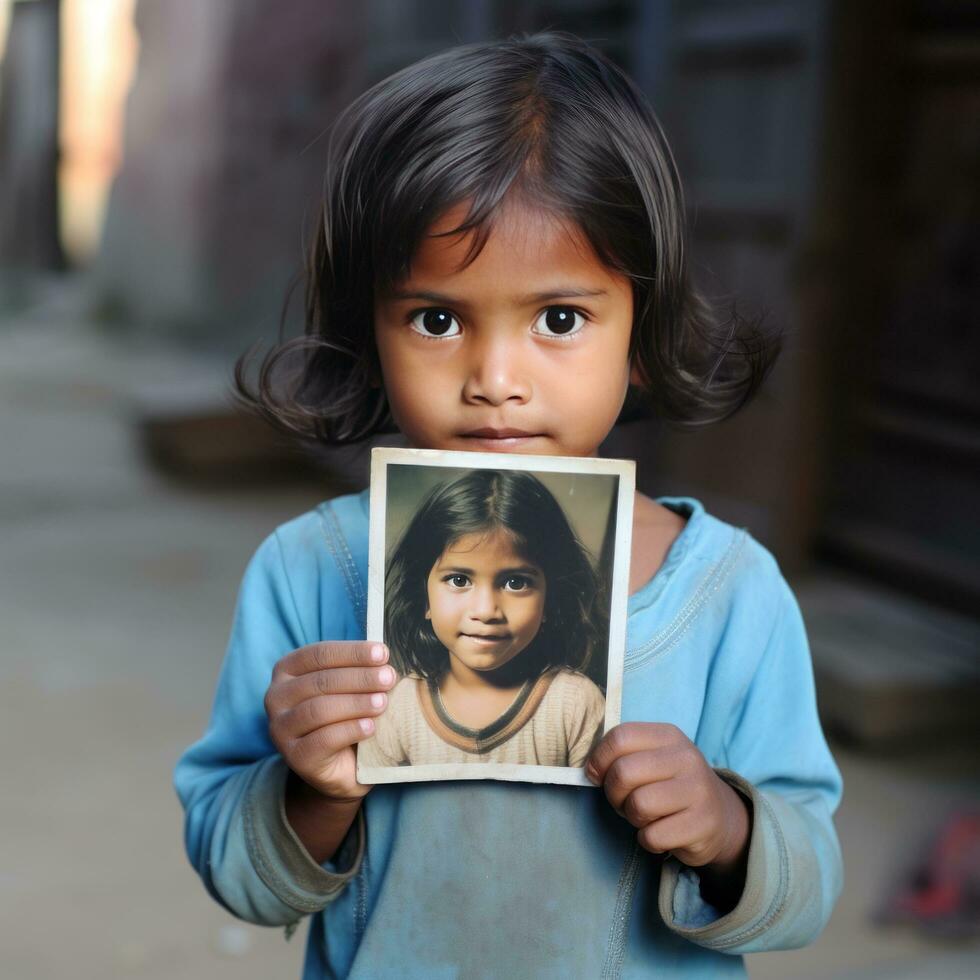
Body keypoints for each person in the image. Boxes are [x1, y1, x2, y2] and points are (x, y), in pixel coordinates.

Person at [174, 31, 843, 979]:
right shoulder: (310, 571)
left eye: (559, 320)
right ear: (370, 330)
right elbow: (240, 875)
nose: (495, 379)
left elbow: (808, 883)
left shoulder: (730, 595)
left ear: (641, 333)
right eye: (436, 320)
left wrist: (730, 829)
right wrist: (310, 791)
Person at [358, 468, 607, 770]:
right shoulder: (397, 710)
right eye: (459, 580)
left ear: (550, 601)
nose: (486, 611)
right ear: (423, 598)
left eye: (516, 583)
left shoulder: (576, 705)